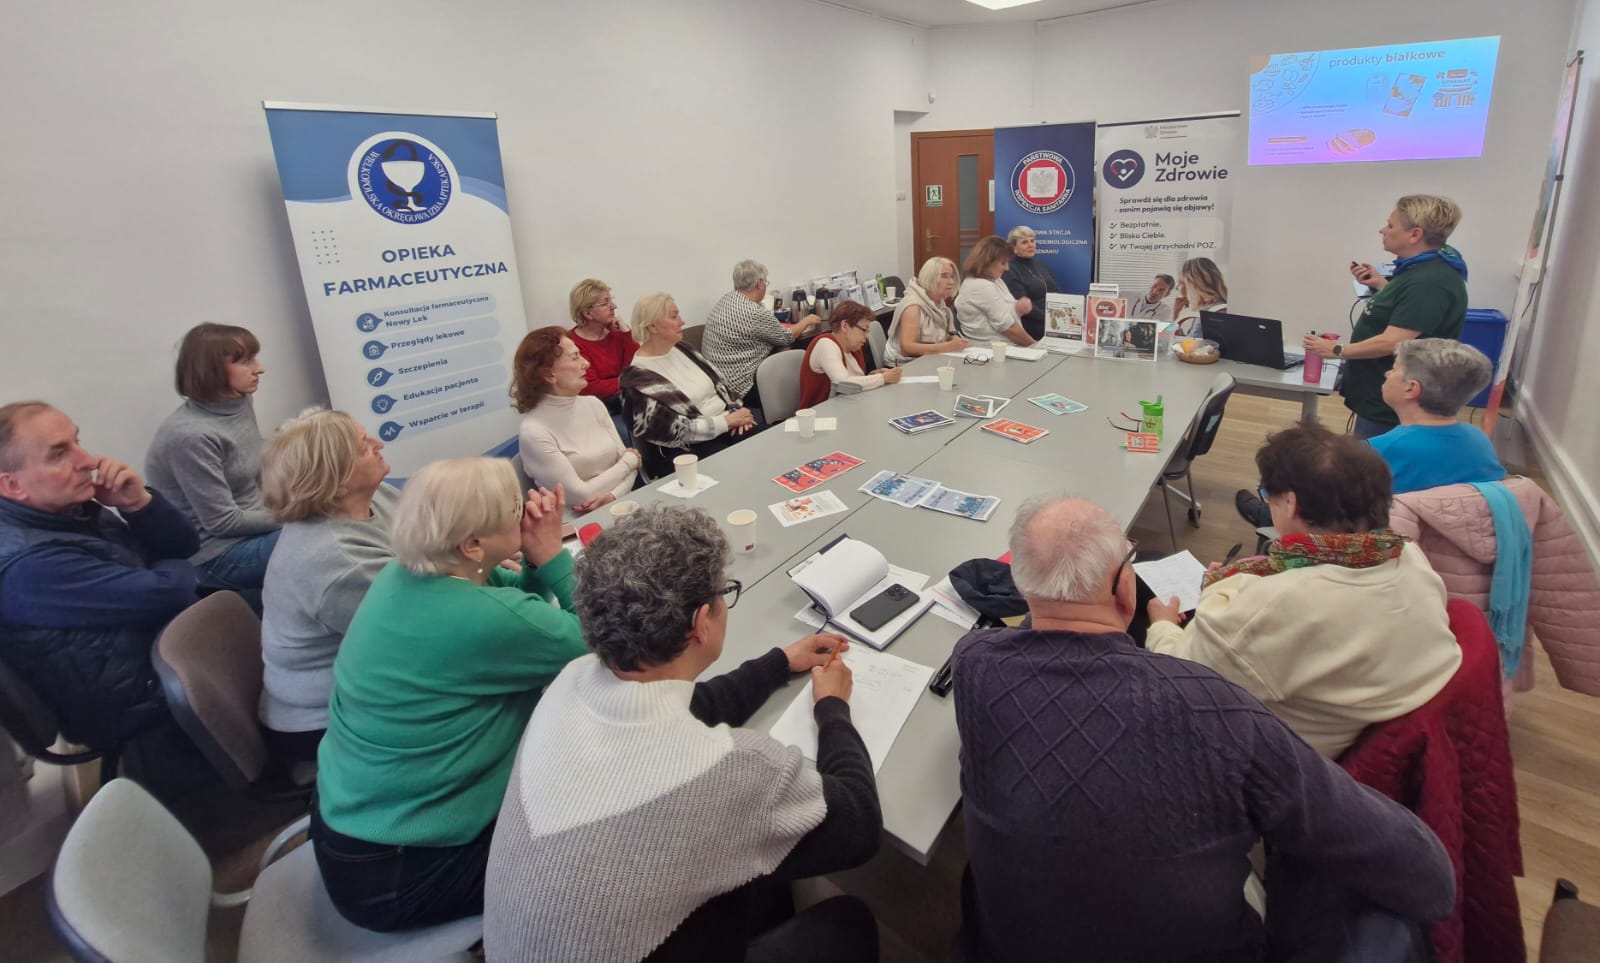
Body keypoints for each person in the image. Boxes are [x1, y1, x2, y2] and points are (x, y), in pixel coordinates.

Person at [953, 494, 1455, 962]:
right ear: (1125, 586)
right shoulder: (1215, 709)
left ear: (1022, 587)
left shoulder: (974, 663)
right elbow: (1427, 874)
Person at [485, 505, 881, 962]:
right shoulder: (733, 770)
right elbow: (860, 824)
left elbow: (687, 706)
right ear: (700, 623)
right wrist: (832, 707)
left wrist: (777, 664)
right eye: (724, 593)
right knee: (847, 922)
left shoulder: (570, 683)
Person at [311, 459, 587, 932]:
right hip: (400, 872)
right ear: (472, 544)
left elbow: (520, 608)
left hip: (355, 823)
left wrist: (534, 563)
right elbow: (605, 640)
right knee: (607, 841)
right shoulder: (476, 617)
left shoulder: (412, 574)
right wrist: (552, 557)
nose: (525, 512)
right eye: (514, 509)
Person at [1147, 422, 1461, 759]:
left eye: (1268, 495)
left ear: (1291, 503)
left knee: (1146, 577)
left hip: (1270, 757)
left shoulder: (1277, 605)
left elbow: (1183, 680)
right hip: (1346, 716)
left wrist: (1163, 625)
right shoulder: (1408, 556)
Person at [0, 402, 199, 751]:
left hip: (163, 652)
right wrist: (166, 569)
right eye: (59, 454)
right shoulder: (30, 566)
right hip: (143, 704)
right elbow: (174, 592)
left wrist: (137, 504)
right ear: (12, 485)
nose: (87, 460)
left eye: (76, 442)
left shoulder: (72, 510)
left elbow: (183, 546)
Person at [257, 408, 397, 764]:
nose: (379, 444)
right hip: (323, 722)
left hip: (373, 682)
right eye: (364, 447)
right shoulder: (339, 563)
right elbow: (425, 634)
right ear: (337, 481)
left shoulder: (373, 497)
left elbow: (433, 541)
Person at [1304, 194, 1470, 439]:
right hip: (1380, 390)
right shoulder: (1420, 269)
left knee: (1373, 459)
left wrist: (1337, 350)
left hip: (1394, 401)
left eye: (1391, 225)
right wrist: (1381, 285)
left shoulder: (1430, 281)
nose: (1382, 230)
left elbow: (1394, 341)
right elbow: (1408, 306)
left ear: (1414, 235)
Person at [144, 323, 280, 593]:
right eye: (245, 361)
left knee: (347, 515)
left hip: (256, 525)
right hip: (216, 556)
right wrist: (298, 514)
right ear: (211, 369)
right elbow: (223, 522)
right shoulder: (191, 436)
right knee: (327, 537)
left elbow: (255, 467)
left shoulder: (239, 401)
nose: (259, 368)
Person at [620, 293, 756, 478]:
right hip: (686, 450)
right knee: (741, 469)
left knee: (767, 444)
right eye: (674, 316)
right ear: (652, 327)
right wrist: (726, 422)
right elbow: (674, 431)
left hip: (728, 424)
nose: (682, 321)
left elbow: (722, 386)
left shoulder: (683, 348)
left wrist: (738, 412)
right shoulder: (638, 380)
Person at [512, 326, 639, 516]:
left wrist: (613, 495)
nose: (586, 363)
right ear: (549, 374)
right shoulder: (534, 430)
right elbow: (581, 495)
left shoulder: (593, 404)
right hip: (578, 522)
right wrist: (631, 460)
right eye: (574, 357)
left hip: (623, 505)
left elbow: (630, 470)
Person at [1370, 338, 1505, 494]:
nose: (1387, 373)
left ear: (1410, 388)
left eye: (1393, 369)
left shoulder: (1377, 451)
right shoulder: (1479, 438)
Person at [701, 259, 824, 403]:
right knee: (790, 352)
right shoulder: (753, 312)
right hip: (740, 386)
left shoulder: (727, 299)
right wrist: (806, 321)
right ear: (759, 283)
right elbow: (786, 337)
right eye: (765, 282)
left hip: (718, 380)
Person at [799, 300, 903, 409]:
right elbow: (843, 383)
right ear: (845, 326)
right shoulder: (826, 344)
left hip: (847, 407)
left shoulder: (853, 347)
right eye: (864, 330)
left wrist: (873, 376)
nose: (867, 336)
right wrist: (882, 378)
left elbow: (854, 381)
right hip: (821, 414)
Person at [566, 278, 637, 438]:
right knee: (630, 433)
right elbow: (591, 387)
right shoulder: (572, 344)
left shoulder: (618, 334)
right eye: (605, 303)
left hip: (628, 402)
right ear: (587, 313)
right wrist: (629, 382)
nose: (614, 306)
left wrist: (626, 334)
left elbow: (637, 369)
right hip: (598, 410)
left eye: (611, 301)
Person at [883, 257, 969, 365]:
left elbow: (940, 334)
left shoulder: (938, 301)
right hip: (902, 364)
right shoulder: (913, 306)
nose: (951, 282)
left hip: (927, 358)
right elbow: (907, 348)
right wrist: (947, 346)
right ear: (930, 277)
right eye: (944, 276)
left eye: (951, 276)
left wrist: (953, 339)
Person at [955, 235, 1036, 347]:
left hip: (1006, 346)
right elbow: (1008, 328)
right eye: (1003, 263)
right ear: (987, 262)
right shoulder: (980, 286)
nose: (1007, 268)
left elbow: (1004, 313)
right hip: (990, 350)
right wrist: (1035, 346)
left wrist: (1017, 308)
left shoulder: (995, 280)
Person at [999, 226, 1059, 340]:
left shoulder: (1042, 265)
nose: (1031, 245)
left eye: (1032, 241)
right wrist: (1048, 319)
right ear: (1013, 247)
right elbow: (1024, 304)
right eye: (1024, 242)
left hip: (1054, 320)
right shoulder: (1010, 269)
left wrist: (1060, 315)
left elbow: (1056, 292)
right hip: (1032, 325)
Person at [1170, 257, 1228, 337]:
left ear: (1193, 284)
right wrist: (1175, 314)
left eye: (1180, 283)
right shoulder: (1209, 310)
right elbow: (1189, 341)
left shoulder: (1211, 314)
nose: (1177, 288)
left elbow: (1189, 344)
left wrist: (1175, 316)